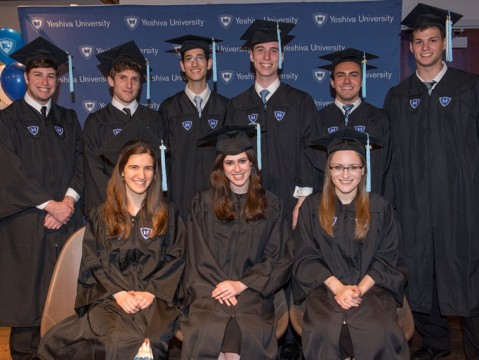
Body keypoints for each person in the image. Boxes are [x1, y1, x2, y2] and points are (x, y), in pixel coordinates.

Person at [384, 4, 479, 359]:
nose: (425, 47)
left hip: (463, 208)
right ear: (410, 47)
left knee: (468, 282)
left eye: (432, 40)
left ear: (444, 44)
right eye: (419, 41)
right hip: (415, 210)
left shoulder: (469, 88)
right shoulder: (398, 96)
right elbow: (391, 159)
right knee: (423, 282)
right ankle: (437, 349)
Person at [37, 133, 185, 359]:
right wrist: (119, 293)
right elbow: (92, 263)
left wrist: (151, 292)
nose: (141, 175)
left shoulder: (168, 215)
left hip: (154, 300)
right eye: (134, 167)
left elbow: (176, 258)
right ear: (122, 172)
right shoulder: (101, 215)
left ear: (155, 174)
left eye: (148, 168)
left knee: (150, 341)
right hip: (110, 299)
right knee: (116, 339)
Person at [0, 37, 84, 359]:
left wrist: (69, 202)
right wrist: (50, 205)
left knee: (63, 305)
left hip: (65, 224)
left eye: (51, 76)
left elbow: (81, 163)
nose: (45, 82)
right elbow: (9, 170)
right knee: (26, 308)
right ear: (26, 78)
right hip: (25, 225)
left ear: (57, 81)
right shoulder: (7, 121)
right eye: (38, 75)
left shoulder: (68, 119)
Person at [292, 128, 409, 359]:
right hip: (325, 291)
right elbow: (305, 257)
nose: (346, 174)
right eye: (338, 167)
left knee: (379, 329)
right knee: (324, 329)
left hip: (372, 291)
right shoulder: (312, 208)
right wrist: (339, 288)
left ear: (363, 170)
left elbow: (389, 257)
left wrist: (358, 290)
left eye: (353, 167)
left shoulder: (380, 207)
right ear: (329, 170)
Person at [180, 125, 293, 359]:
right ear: (221, 167)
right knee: (209, 328)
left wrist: (241, 284)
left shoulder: (270, 204)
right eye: (229, 163)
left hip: (252, 294)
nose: (237, 169)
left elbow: (278, 256)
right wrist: (222, 287)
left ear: (252, 163)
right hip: (210, 292)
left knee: (246, 331)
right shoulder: (203, 203)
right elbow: (196, 255)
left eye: (242, 161)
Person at [225, 19, 318, 229]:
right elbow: (229, 157)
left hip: (292, 199)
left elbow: (311, 151)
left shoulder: (301, 101)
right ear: (251, 56)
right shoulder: (237, 105)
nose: (267, 57)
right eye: (260, 50)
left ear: (282, 56)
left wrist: (304, 198)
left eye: (274, 51)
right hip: (248, 200)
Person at [83, 40, 166, 215]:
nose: (129, 85)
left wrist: (145, 203)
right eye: (123, 78)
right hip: (110, 208)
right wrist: (120, 203)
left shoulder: (154, 119)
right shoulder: (96, 121)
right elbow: (93, 169)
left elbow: (160, 167)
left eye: (135, 79)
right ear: (110, 80)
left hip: (148, 209)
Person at [160, 34, 228, 219]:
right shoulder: (169, 108)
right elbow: (164, 160)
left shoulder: (225, 107)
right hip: (180, 199)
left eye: (200, 57)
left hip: (218, 198)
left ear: (209, 63)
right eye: (189, 59)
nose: (195, 64)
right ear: (182, 66)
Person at [311, 49, 392, 199]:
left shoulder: (379, 119)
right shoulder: (317, 120)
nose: (347, 81)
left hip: (369, 202)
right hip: (328, 204)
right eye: (341, 75)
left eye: (353, 75)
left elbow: (387, 168)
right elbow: (313, 169)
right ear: (332, 82)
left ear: (362, 81)